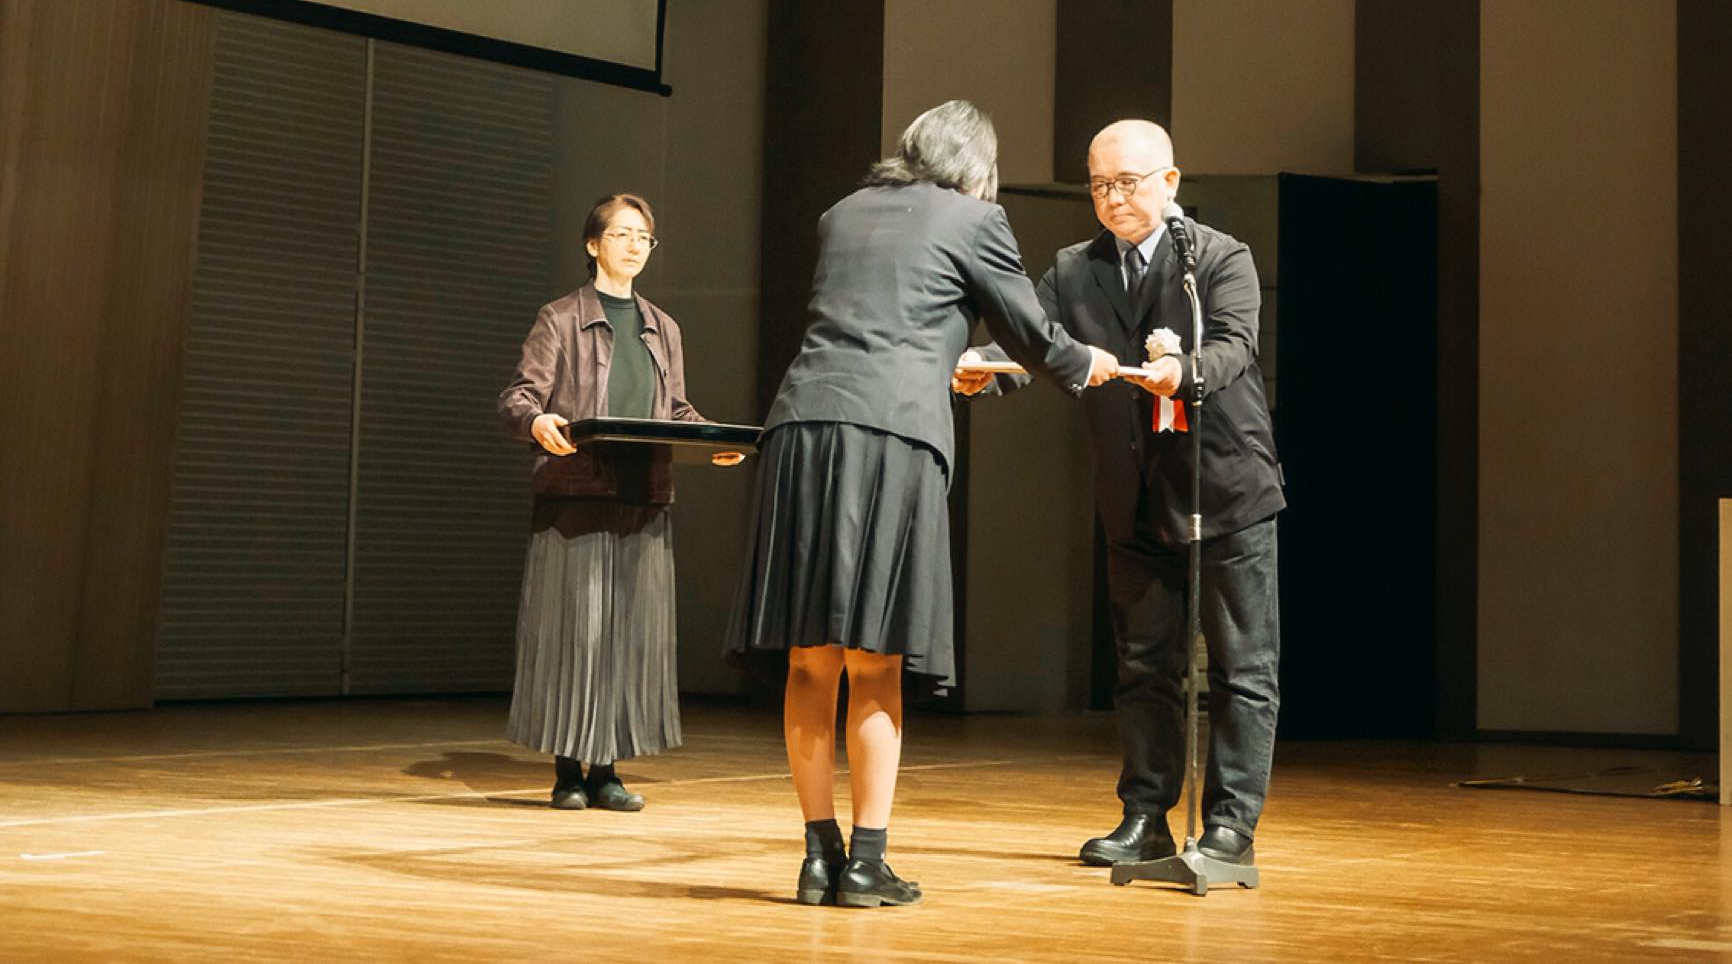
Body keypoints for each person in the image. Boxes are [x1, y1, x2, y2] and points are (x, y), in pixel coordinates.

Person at [726, 100, 1120, 908]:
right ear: (978, 168)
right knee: (875, 659)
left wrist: (951, 359)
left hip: (801, 426)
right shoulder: (974, 219)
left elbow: (882, 320)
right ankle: (867, 862)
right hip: (891, 439)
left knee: (810, 659)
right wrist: (1090, 364)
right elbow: (1031, 331)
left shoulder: (841, 214)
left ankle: (817, 857)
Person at [956, 119, 1285, 868]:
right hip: (1130, 492)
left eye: (1128, 182)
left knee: (1243, 666)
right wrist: (980, 365)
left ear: (1170, 183)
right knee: (1144, 663)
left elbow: (1236, 344)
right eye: (1099, 184)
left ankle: (1231, 826)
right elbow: (1027, 338)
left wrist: (1188, 372)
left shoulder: (1217, 258)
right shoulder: (1075, 268)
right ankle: (1146, 816)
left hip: (1224, 488)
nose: (1112, 198)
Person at [498, 193, 713, 813]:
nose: (633, 246)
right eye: (621, 234)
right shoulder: (560, 318)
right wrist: (537, 422)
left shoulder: (663, 327)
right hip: (576, 496)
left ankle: (608, 770)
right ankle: (568, 772)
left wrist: (714, 440)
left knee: (628, 638)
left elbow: (675, 411)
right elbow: (519, 395)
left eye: (644, 237)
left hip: (642, 496)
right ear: (593, 244)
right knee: (575, 636)